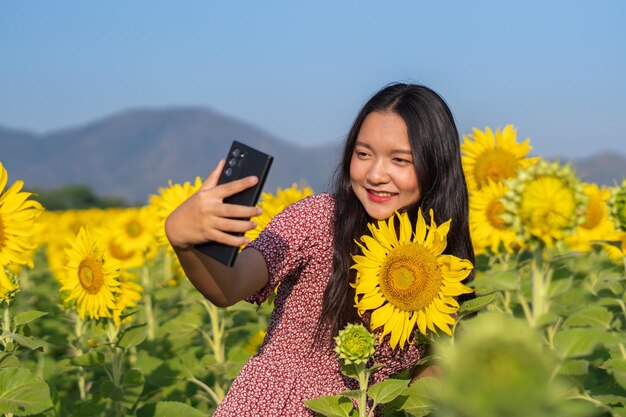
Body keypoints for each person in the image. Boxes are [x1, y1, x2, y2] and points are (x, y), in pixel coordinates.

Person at [165, 83, 475, 416]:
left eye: (400, 160)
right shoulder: (317, 221)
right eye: (363, 154)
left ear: (436, 165)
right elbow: (230, 285)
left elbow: (427, 389)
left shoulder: (443, 262)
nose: (375, 174)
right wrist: (184, 241)